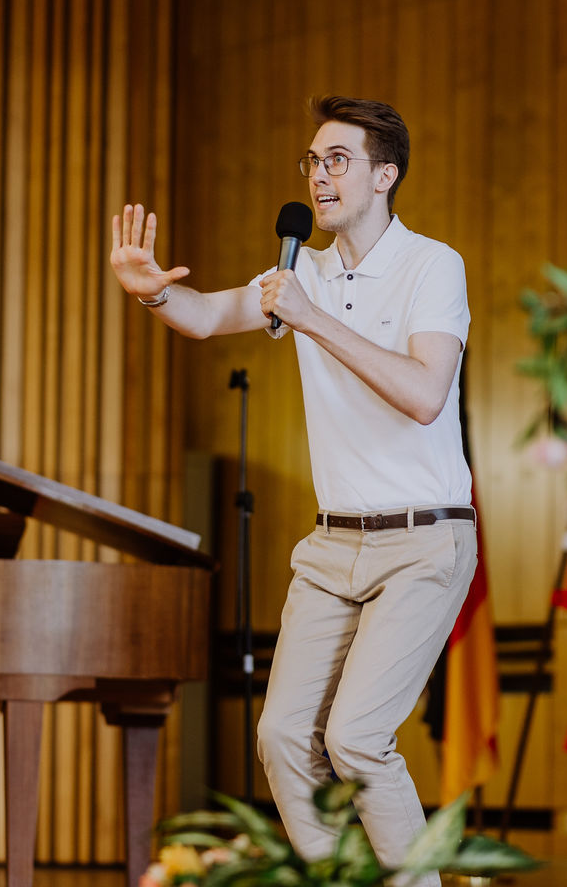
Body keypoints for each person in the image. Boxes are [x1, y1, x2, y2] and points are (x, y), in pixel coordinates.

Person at [109, 96, 475, 881]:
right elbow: (206, 316)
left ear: (386, 174)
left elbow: (423, 394)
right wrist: (149, 291)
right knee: (279, 736)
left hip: (424, 539)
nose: (318, 176)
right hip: (332, 544)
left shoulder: (430, 265)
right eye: (311, 162)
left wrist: (309, 317)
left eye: (336, 160)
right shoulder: (296, 268)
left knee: (356, 738)